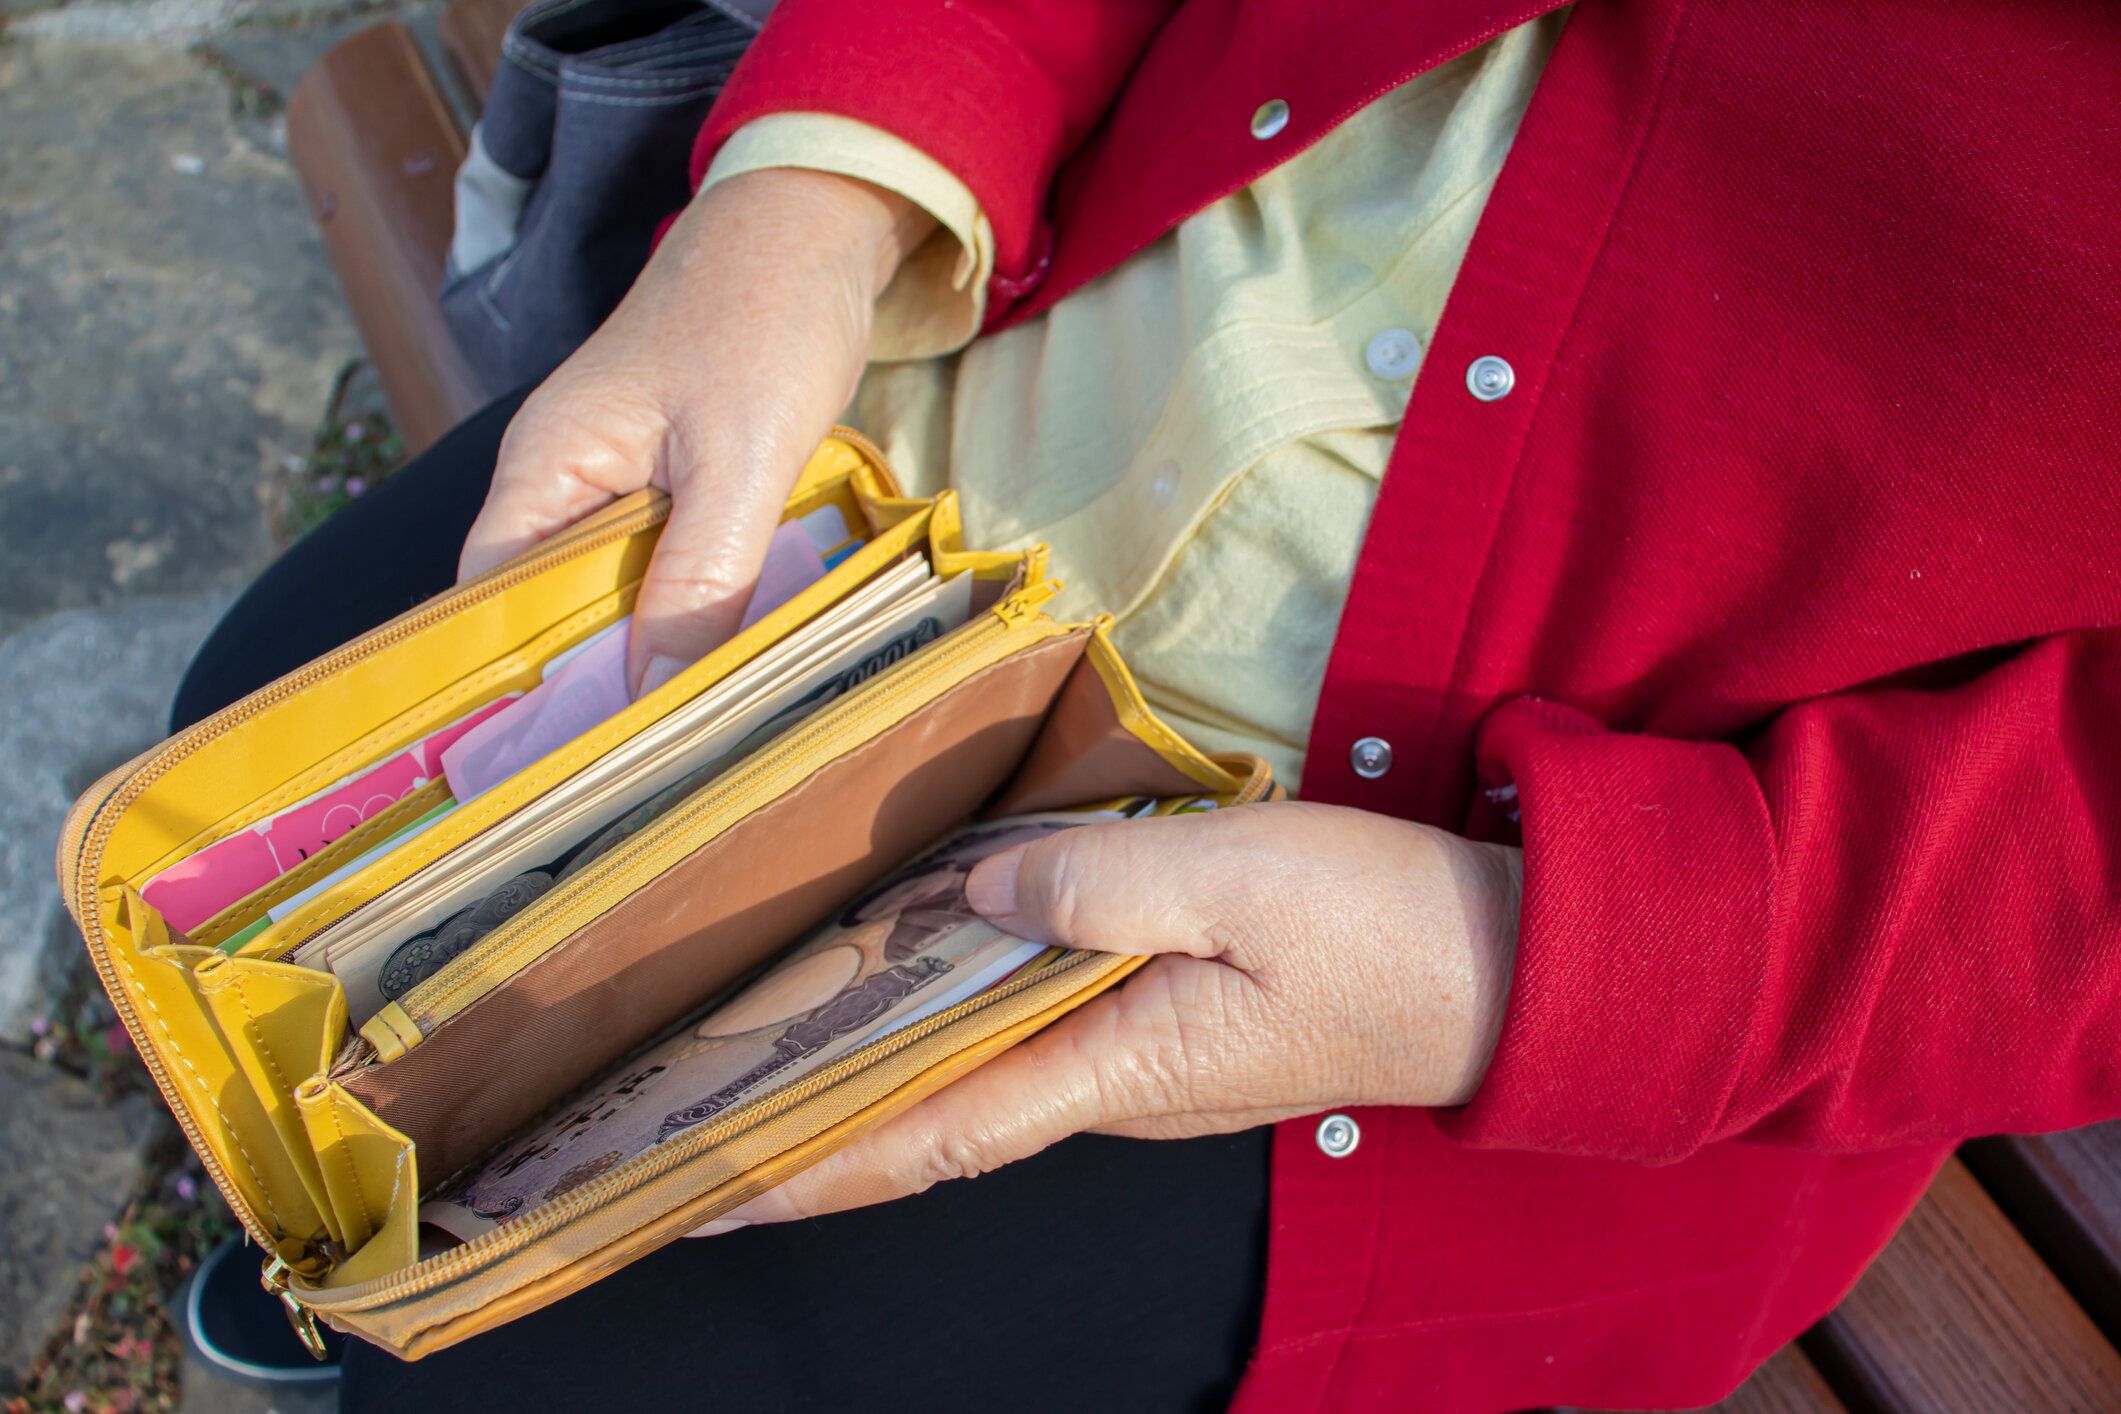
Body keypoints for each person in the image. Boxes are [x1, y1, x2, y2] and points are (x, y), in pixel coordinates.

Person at [173, 1, 2121, 1409]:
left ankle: (383, 1291)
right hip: (932, 384)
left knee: (568, 1362)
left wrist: (1556, 950)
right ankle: (345, 1245)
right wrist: (816, 184)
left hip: (1418, 942)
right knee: (245, 747)